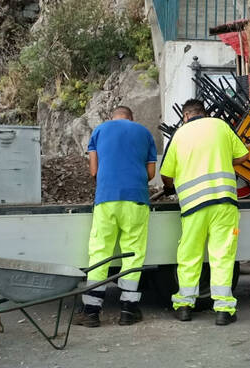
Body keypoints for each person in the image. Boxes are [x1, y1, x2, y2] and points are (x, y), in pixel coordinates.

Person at [160, 99, 249, 326]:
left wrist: (171, 186)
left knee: (189, 255)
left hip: (193, 206)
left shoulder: (179, 135)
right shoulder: (220, 126)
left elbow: (166, 175)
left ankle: (184, 306)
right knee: (222, 255)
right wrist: (222, 159)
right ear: (204, 113)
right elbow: (244, 156)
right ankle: (223, 310)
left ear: (186, 115)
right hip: (224, 203)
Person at [73, 106, 157, 327]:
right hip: (137, 200)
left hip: (106, 199)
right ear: (132, 118)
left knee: (100, 251)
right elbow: (150, 174)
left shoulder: (100, 130)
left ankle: (91, 312)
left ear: (113, 117)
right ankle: (128, 311)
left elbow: (94, 171)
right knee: (133, 253)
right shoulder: (144, 133)